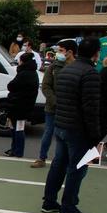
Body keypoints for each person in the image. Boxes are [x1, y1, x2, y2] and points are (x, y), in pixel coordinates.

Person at [42, 37, 102, 213]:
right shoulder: (90, 73)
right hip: (78, 129)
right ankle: (68, 205)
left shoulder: (67, 70)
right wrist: (95, 134)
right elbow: (90, 107)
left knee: (58, 164)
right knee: (77, 168)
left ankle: (49, 201)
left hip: (61, 124)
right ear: (96, 53)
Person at [32, 40, 75, 168]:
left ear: (70, 52)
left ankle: (63, 161)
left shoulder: (76, 67)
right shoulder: (53, 66)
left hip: (69, 110)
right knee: (48, 133)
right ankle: (41, 158)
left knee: (65, 136)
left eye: (61, 50)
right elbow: (45, 86)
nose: (58, 53)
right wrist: (54, 101)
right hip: (52, 107)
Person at [4, 52, 39, 158]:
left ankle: (17, 151)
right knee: (17, 128)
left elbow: (11, 85)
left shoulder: (24, 73)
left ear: (22, 61)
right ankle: (15, 149)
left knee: (17, 129)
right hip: (24, 105)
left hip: (19, 105)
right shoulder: (33, 73)